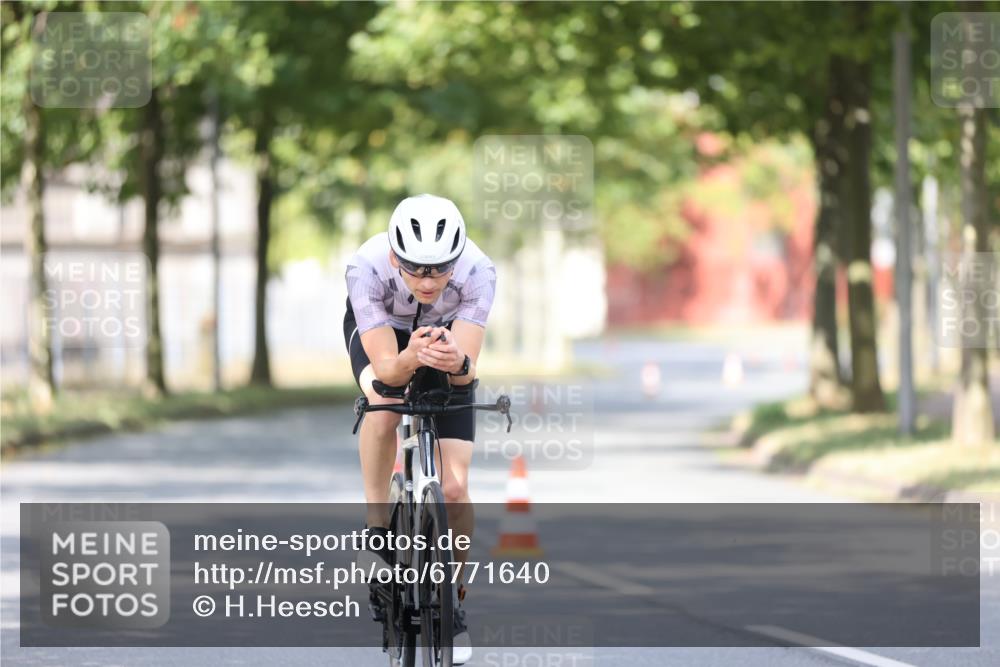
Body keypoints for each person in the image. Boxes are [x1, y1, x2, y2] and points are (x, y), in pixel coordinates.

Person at [343, 194, 496, 664]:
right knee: (383, 407)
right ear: (394, 257)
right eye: (415, 269)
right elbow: (387, 369)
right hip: (385, 336)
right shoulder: (366, 268)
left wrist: (458, 363)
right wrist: (406, 361)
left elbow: (466, 373)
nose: (428, 281)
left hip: (449, 340)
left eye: (439, 269)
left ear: (457, 259)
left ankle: (453, 602)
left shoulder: (478, 272)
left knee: (453, 488)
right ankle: (376, 526)